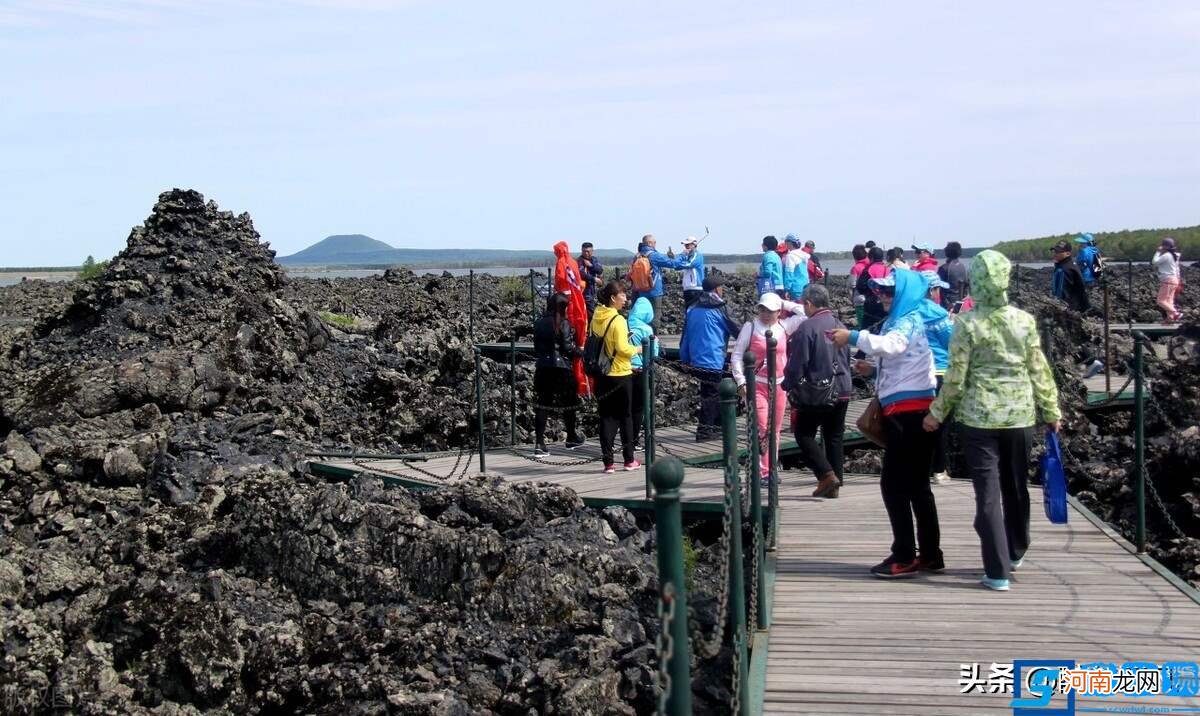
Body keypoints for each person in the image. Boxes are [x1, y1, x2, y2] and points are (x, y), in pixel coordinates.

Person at [923, 250, 1062, 592]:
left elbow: (955, 376)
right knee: (1016, 486)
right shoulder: (1024, 321)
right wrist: (1051, 409)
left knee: (986, 494)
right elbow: (1038, 368)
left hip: (978, 419)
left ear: (977, 283)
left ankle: (997, 570)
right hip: (1020, 416)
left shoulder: (967, 324)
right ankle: (1016, 548)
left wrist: (936, 414)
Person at [831, 269, 943, 579]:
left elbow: (893, 345)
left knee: (893, 485)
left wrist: (851, 336)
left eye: (889, 292)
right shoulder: (908, 319)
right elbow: (904, 358)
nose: (882, 296)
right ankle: (931, 554)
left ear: (904, 295)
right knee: (918, 487)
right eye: (881, 291)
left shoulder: (905, 320)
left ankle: (904, 554)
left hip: (908, 414)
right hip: (917, 409)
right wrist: (874, 369)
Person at [782, 284, 851, 498]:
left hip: (819, 390)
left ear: (809, 304)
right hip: (843, 388)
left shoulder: (807, 327)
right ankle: (835, 483)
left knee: (804, 434)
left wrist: (787, 384)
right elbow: (847, 358)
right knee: (834, 436)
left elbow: (798, 363)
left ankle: (827, 475)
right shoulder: (840, 324)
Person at [732, 292, 808, 484]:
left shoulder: (784, 326)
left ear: (778, 312)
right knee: (762, 426)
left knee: (775, 429)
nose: (766, 314)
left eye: (771, 310)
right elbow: (737, 355)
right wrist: (741, 381)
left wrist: (782, 302)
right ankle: (762, 471)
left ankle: (771, 469)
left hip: (780, 386)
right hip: (756, 384)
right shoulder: (750, 327)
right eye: (763, 309)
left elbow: (804, 314)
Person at [680, 274, 740, 441]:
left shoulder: (692, 308)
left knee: (711, 392)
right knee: (711, 395)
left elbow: (685, 336)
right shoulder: (721, 307)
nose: (723, 290)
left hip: (696, 358)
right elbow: (738, 331)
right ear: (717, 289)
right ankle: (705, 431)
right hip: (713, 358)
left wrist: (684, 358)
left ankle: (717, 426)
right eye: (722, 287)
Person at [591, 280, 642, 473]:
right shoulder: (618, 320)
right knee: (625, 417)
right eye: (623, 295)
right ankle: (629, 460)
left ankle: (608, 463)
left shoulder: (596, 315)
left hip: (602, 374)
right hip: (620, 373)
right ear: (613, 298)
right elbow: (622, 348)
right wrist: (637, 349)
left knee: (606, 417)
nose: (626, 299)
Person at [532, 293, 585, 456]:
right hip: (561, 368)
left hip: (543, 367)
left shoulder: (539, 323)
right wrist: (581, 351)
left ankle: (540, 443)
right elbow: (567, 348)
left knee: (543, 404)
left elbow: (536, 348)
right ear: (564, 307)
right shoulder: (563, 323)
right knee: (569, 404)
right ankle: (571, 437)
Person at [919, 271, 955, 484]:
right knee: (941, 423)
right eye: (937, 289)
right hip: (940, 371)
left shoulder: (908, 311)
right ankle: (939, 470)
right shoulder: (937, 313)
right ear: (932, 290)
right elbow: (952, 342)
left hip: (918, 374)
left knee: (920, 422)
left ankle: (920, 467)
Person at [632, 234, 692, 334]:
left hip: (640, 291)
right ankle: (653, 341)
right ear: (649, 243)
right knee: (655, 317)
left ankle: (642, 339)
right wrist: (683, 254)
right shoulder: (654, 255)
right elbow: (673, 264)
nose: (655, 245)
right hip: (654, 291)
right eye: (654, 242)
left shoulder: (637, 255)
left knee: (643, 317)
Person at [553, 241, 591, 395]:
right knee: (580, 331)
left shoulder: (561, 263)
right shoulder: (573, 262)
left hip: (566, 302)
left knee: (566, 328)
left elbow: (559, 281)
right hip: (578, 300)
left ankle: (575, 372)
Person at [628, 296, 660, 449]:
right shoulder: (647, 329)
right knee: (639, 407)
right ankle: (634, 440)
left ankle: (624, 439)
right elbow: (652, 355)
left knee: (625, 406)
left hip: (624, 370)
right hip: (641, 370)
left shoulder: (625, 323)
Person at [1051, 240, 1091, 314]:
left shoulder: (1066, 269)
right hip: (1067, 307)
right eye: (1054, 251)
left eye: (1058, 252)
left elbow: (1062, 292)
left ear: (1068, 253)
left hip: (1069, 309)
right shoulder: (1062, 266)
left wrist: (1058, 306)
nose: (1055, 254)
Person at [856, 246, 891, 331]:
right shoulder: (888, 268)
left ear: (871, 257)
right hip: (887, 303)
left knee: (866, 329)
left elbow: (861, 286)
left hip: (871, 303)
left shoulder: (868, 269)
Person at [1153, 238, 1184, 322]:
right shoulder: (1175, 256)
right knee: (1168, 301)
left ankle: (1176, 313)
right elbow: (1177, 269)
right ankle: (1170, 319)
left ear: (1165, 246)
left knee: (1161, 301)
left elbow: (1155, 262)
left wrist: (1158, 252)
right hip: (1174, 279)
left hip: (1168, 280)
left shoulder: (1166, 255)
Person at [938, 241, 969, 311]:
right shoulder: (963, 267)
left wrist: (947, 304)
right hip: (960, 302)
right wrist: (961, 299)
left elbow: (940, 288)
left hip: (947, 304)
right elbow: (966, 286)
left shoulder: (944, 268)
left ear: (947, 252)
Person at [679, 236, 706, 308]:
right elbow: (677, 267)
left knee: (695, 310)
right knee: (688, 311)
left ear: (694, 244)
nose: (686, 246)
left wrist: (681, 257)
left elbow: (689, 264)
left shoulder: (697, 255)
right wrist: (682, 257)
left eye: (688, 244)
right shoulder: (687, 256)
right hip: (687, 288)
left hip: (696, 288)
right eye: (685, 245)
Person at [578, 242, 604, 316]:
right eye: (584, 251)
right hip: (584, 291)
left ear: (592, 251)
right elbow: (582, 274)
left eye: (588, 251)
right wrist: (594, 279)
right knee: (590, 314)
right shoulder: (579, 261)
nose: (586, 253)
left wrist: (590, 265)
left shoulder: (594, 260)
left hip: (592, 291)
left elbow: (600, 270)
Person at [782, 234, 810, 300]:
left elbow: (789, 274)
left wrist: (787, 289)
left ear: (789, 243)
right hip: (805, 286)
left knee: (796, 308)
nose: (785, 243)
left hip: (795, 288)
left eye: (785, 242)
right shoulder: (803, 255)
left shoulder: (791, 256)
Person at [849, 244, 870, 327]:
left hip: (859, 299)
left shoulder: (856, 268)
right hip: (871, 299)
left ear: (854, 256)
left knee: (862, 323)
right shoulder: (870, 265)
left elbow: (852, 284)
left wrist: (851, 298)